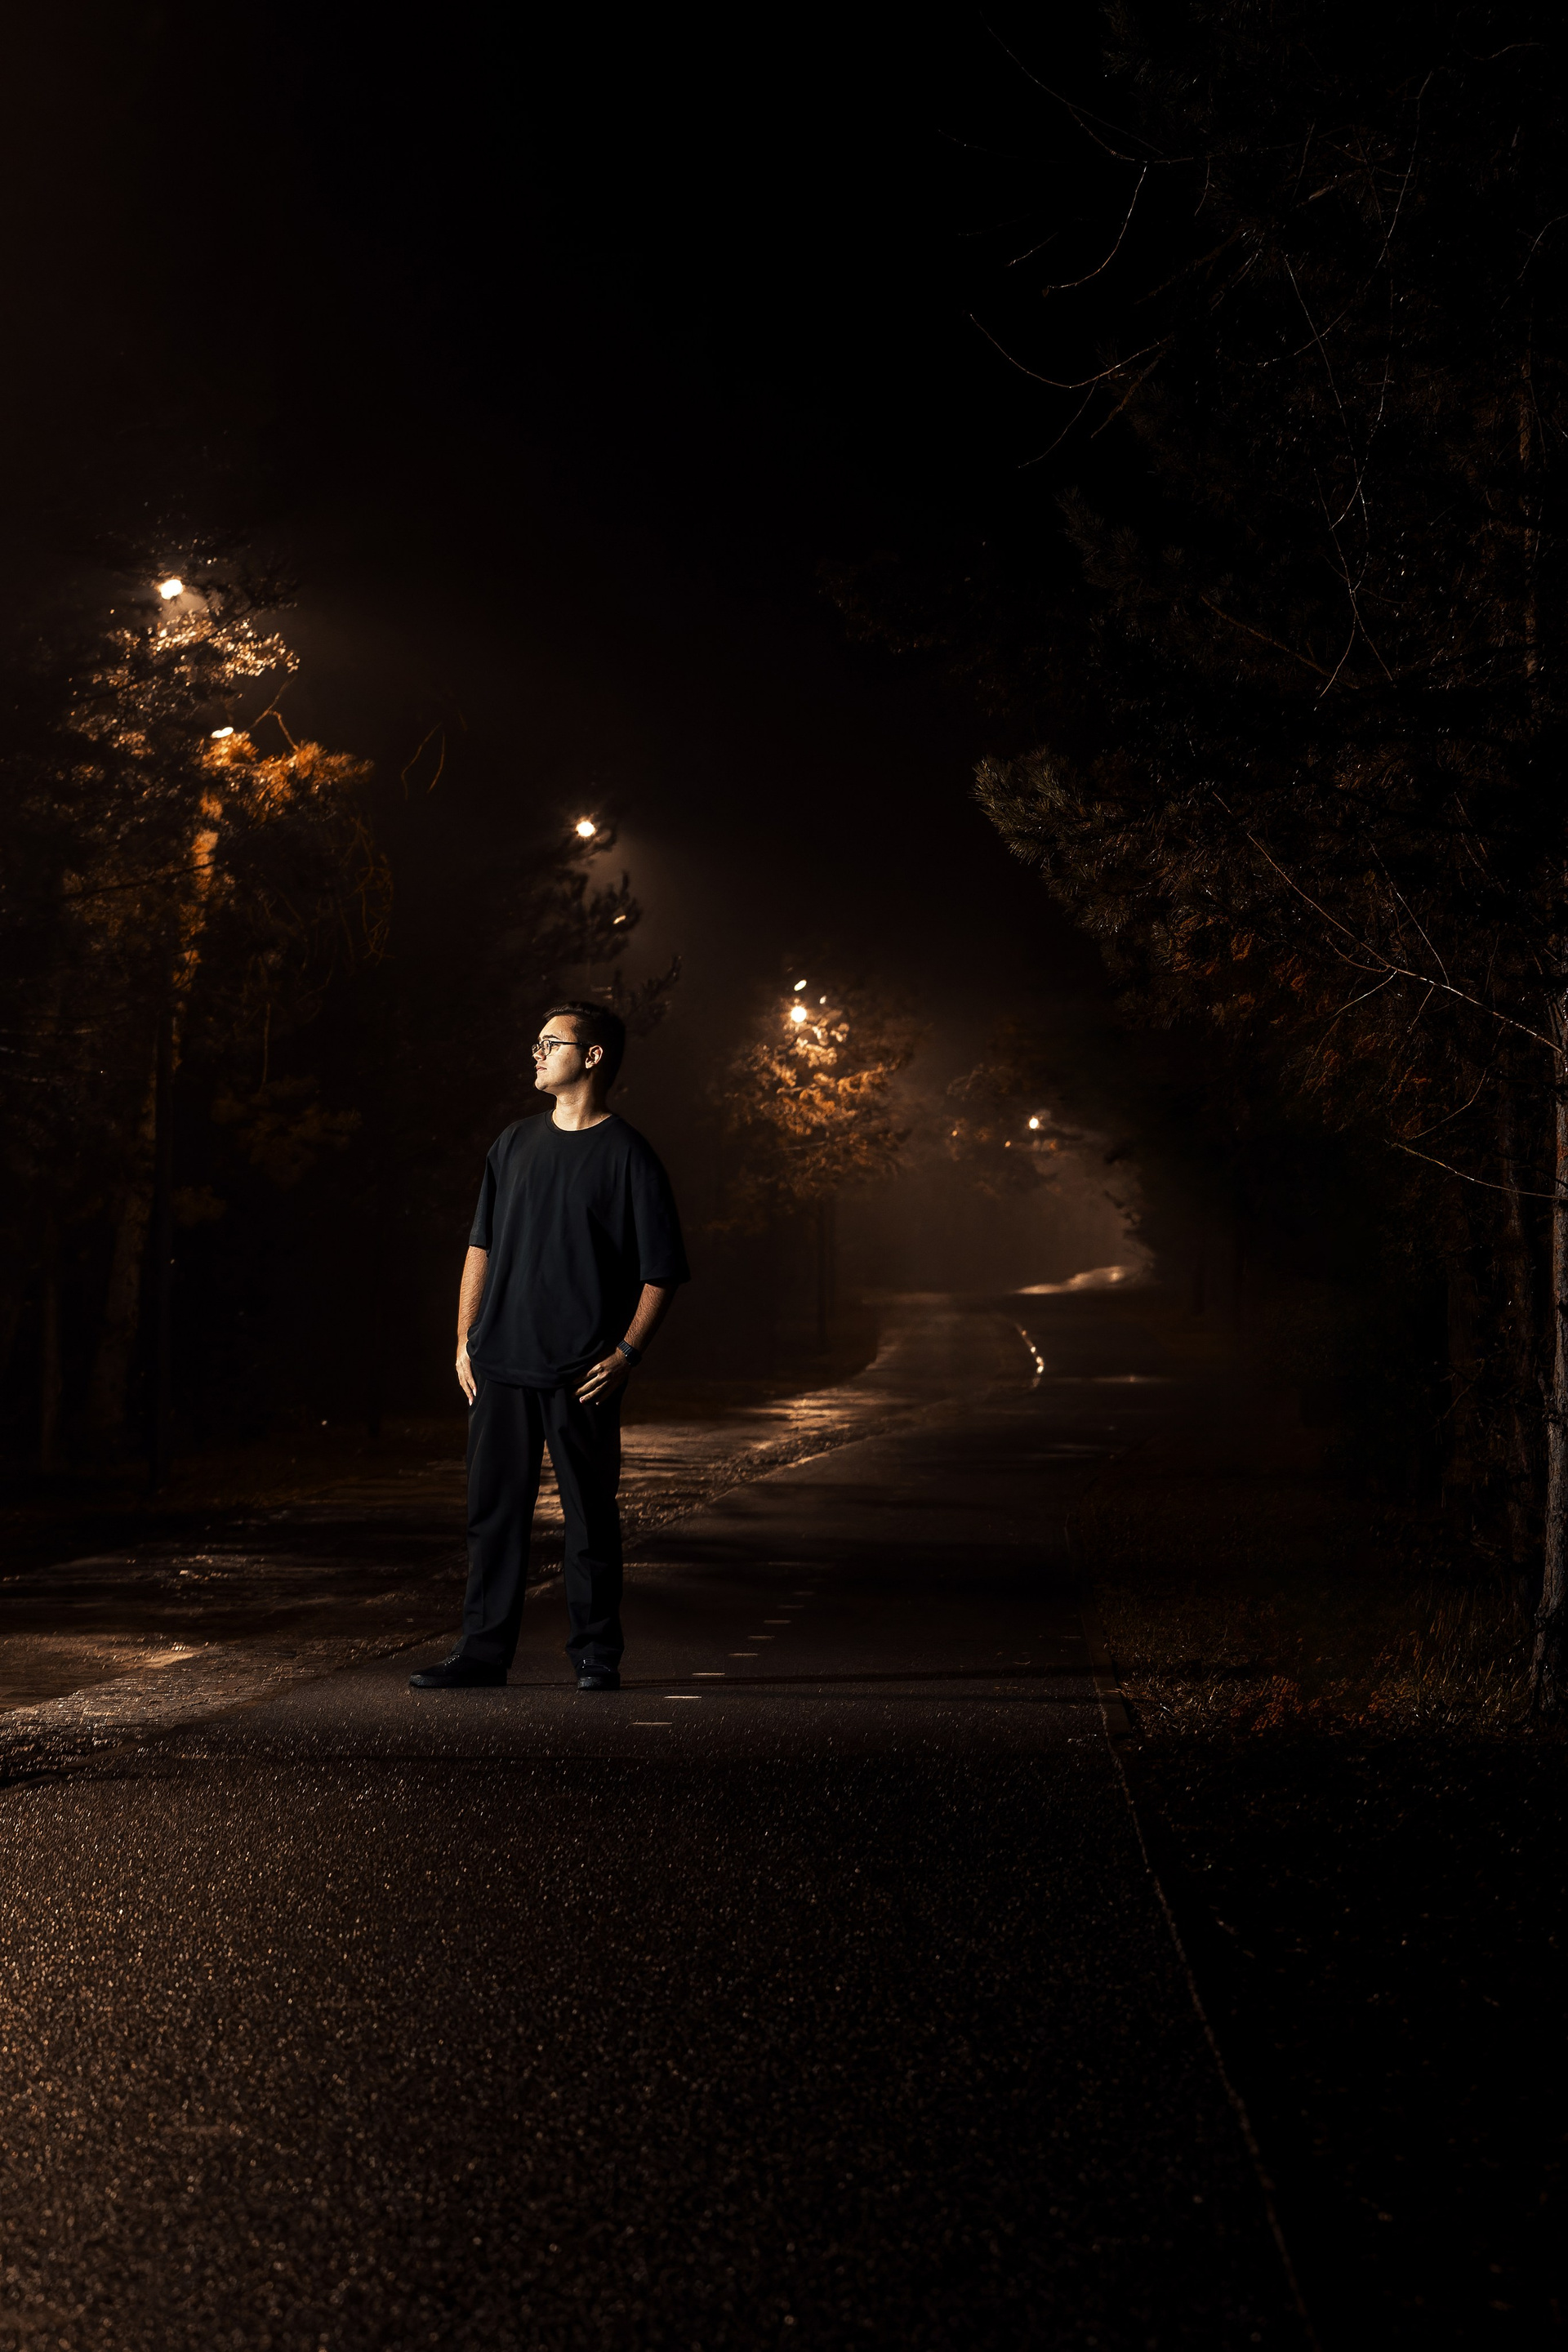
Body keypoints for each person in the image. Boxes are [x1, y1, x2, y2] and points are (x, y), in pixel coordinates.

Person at [410, 1002, 688, 1693]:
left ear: (592, 1056)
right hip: (499, 1364)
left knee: (589, 1517)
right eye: (535, 1042)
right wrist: (464, 1338)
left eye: (550, 1042)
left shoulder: (629, 1154)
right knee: (493, 1516)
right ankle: (482, 1654)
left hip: (582, 1370)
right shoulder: (512, 1144)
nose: (535, 1053)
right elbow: (480, 1246)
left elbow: (662, 1272)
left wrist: (626, 1354)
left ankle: (596, 1655)